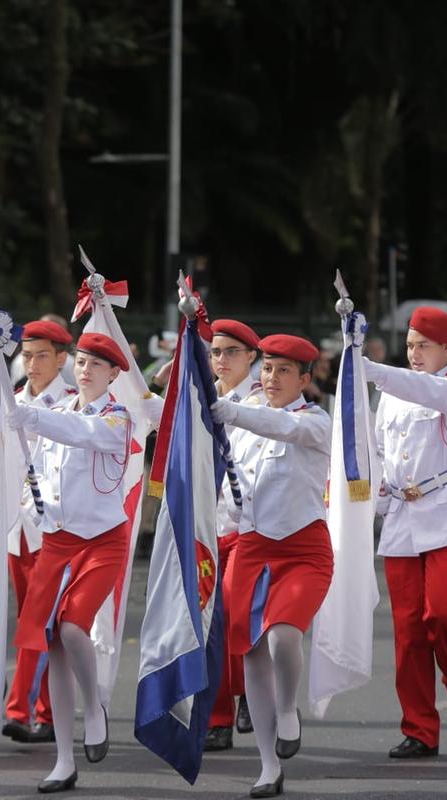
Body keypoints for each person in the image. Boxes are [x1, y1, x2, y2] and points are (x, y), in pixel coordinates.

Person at [6, 333, 135, 794]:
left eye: (96, 365)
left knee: (73, 627)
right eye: (81, 362)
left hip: (101, 541)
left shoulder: (117, 418)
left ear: (113, 374)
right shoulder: (55, 413)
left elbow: (84, 433)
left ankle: (95, 706)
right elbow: (35, 464)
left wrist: (30, 416)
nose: (84, 370)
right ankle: (63, 758)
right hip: (56, 542)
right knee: (52, 644)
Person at [209, 334, 333, 799]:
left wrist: (235, 412)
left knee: (283, 634)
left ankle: (287, 708)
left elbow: (281, 428)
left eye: (284, 371)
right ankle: (266, 764)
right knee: (251, 649)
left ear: (304, 379)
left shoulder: (315, 421)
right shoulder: (241, 421)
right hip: (252, 548)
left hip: (304, 551)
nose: (272, 378)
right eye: (267, 369)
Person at [362, 307, 447, 760]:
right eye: (409, 345)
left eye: (422, 345)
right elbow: (384, 452)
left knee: (444, 613)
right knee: (408, 630)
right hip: (403, 516)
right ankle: (419, 728)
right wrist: (378, 510)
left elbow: (429, 393)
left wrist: (368, 368)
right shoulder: (393, 394)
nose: (413, 354)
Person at [1, 320, 78, 745]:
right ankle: (48, 712)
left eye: (42, 355)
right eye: (26, 355)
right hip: (18, 531)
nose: (31, 364)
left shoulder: (70, 404)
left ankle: (25, 709)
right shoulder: (11, 400)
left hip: (53, 530)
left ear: (62, 359)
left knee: (41, 620)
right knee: (31, 620)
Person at [201, 318, 263, 752]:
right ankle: (218, 715)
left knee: (237, 614)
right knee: (210, 623)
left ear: (252, 358)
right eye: (215, 352)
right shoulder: (200, 397)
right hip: (210, 525)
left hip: (249, 528)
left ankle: (254, 692)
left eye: (231, 352)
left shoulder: (263, 400)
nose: (221, 360)